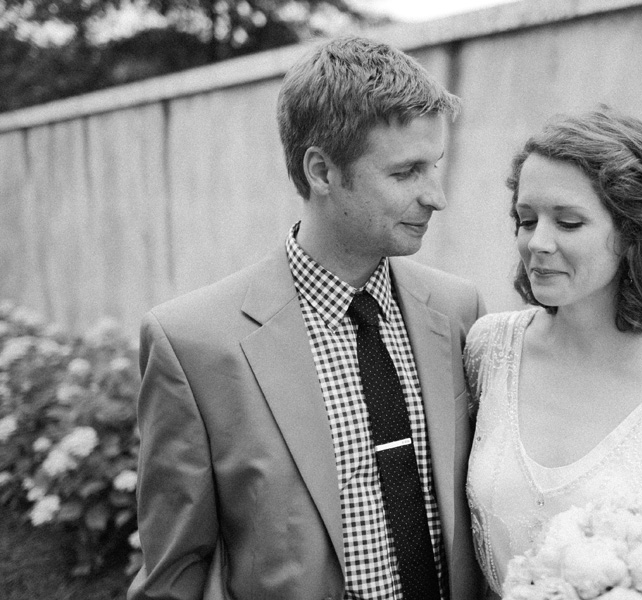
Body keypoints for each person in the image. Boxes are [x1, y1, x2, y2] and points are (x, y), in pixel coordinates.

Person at [128, 35, 485, 600]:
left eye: (435, 165)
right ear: (321, 170)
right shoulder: (194, 345)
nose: (436, 196)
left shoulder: (458, 310)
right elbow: (174, 575)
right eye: (406, 172)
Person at [464, 105, 642, 596]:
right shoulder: (489, 348)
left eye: (569, 222)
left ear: (632, 234)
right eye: (526, 219)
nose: (538, 242)